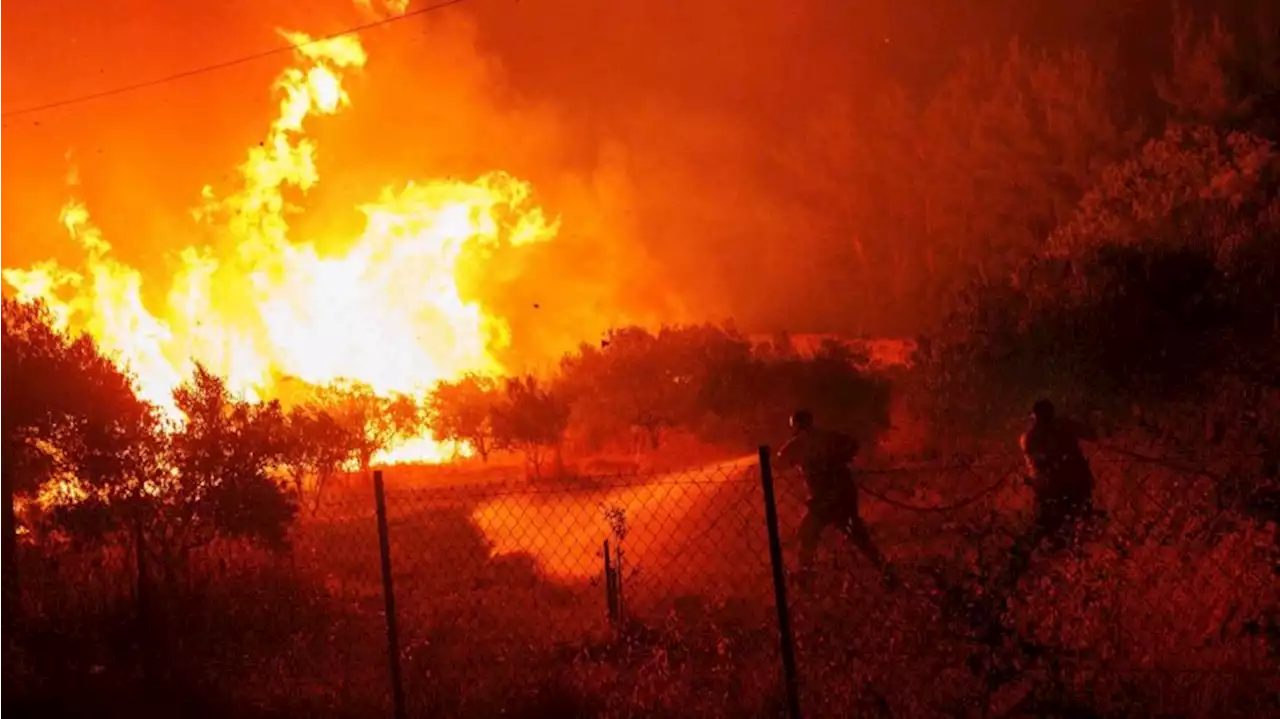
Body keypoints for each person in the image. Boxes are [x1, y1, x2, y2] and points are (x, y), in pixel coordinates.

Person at [776, 409, 896, 588]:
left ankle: (806, 577)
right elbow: (853, 444)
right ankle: (885, 570)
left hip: (827, 499)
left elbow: (779, 464)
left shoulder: (797, 445)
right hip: (841, 494)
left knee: (808, 532)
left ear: (795, 426)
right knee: (855, 534)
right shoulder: (827, 437)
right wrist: (841, 458)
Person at [1007, 398, 1098, 581]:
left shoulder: (1031, 436)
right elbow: (1092, 434)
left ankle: (1051, 572)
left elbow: (1035, 467)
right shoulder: (1055, 430)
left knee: (1059, 531)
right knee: (1075, 529)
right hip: (1071, 489)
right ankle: (1074, 571)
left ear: (1035, 416)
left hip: (1055, 493)